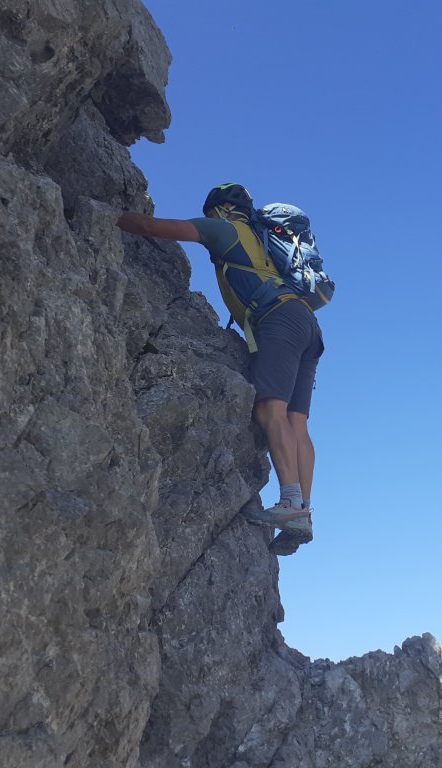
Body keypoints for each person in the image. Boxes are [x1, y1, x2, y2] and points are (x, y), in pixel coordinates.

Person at [117, 183, 324, 555]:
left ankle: (291, 504)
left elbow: (151, 227)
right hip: (306, 323)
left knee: (270, 411)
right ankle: (303, 509)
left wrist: (110, 215)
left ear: (219, 208)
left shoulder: (224, 228)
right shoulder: (262, 238)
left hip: (277, 319)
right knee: (297, 423)